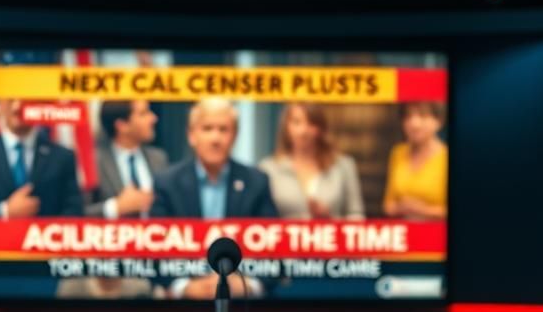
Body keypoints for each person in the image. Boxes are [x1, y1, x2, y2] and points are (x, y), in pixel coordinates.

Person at [151, 97, 279, 299]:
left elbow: (273, 249)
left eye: (223, 129)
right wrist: (183, 287)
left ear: (235, 135)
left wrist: (250, 285)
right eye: (207, 128)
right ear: (191, 135)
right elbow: (154, 250)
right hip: (182, 307)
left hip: (243, 304)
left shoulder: (257, 182)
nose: (215, 138)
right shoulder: (167, 182)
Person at [259, 102, 365, 220]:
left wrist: (330, 219)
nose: (304, 131)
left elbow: (357, 216)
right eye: (296, 122)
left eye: (311, 123)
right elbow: (261, 220)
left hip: (331, 237)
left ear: (321, 128)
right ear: (286, 127)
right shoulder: (268, 169)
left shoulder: (343, 166)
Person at [0, 98, 83, 218]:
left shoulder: (62, 158)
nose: (17, 107)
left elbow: (74, 213)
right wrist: (4, 211)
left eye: (24, 100)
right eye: (11, 100)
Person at [85, 100, 168, 218]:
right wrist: (115, 207)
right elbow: (76, 213)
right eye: (143, 113)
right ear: (122, 125)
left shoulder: (159, 159)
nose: (153, 118)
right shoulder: (94, 161)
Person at [382, 100, 448, 220]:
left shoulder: (446, 157)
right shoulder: (397, 153)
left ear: (439, 121)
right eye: (408, 116)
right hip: (405, 231)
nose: (414, 123)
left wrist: (420, 210)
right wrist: (401, 208)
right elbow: (388, 206)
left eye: (423, 116)